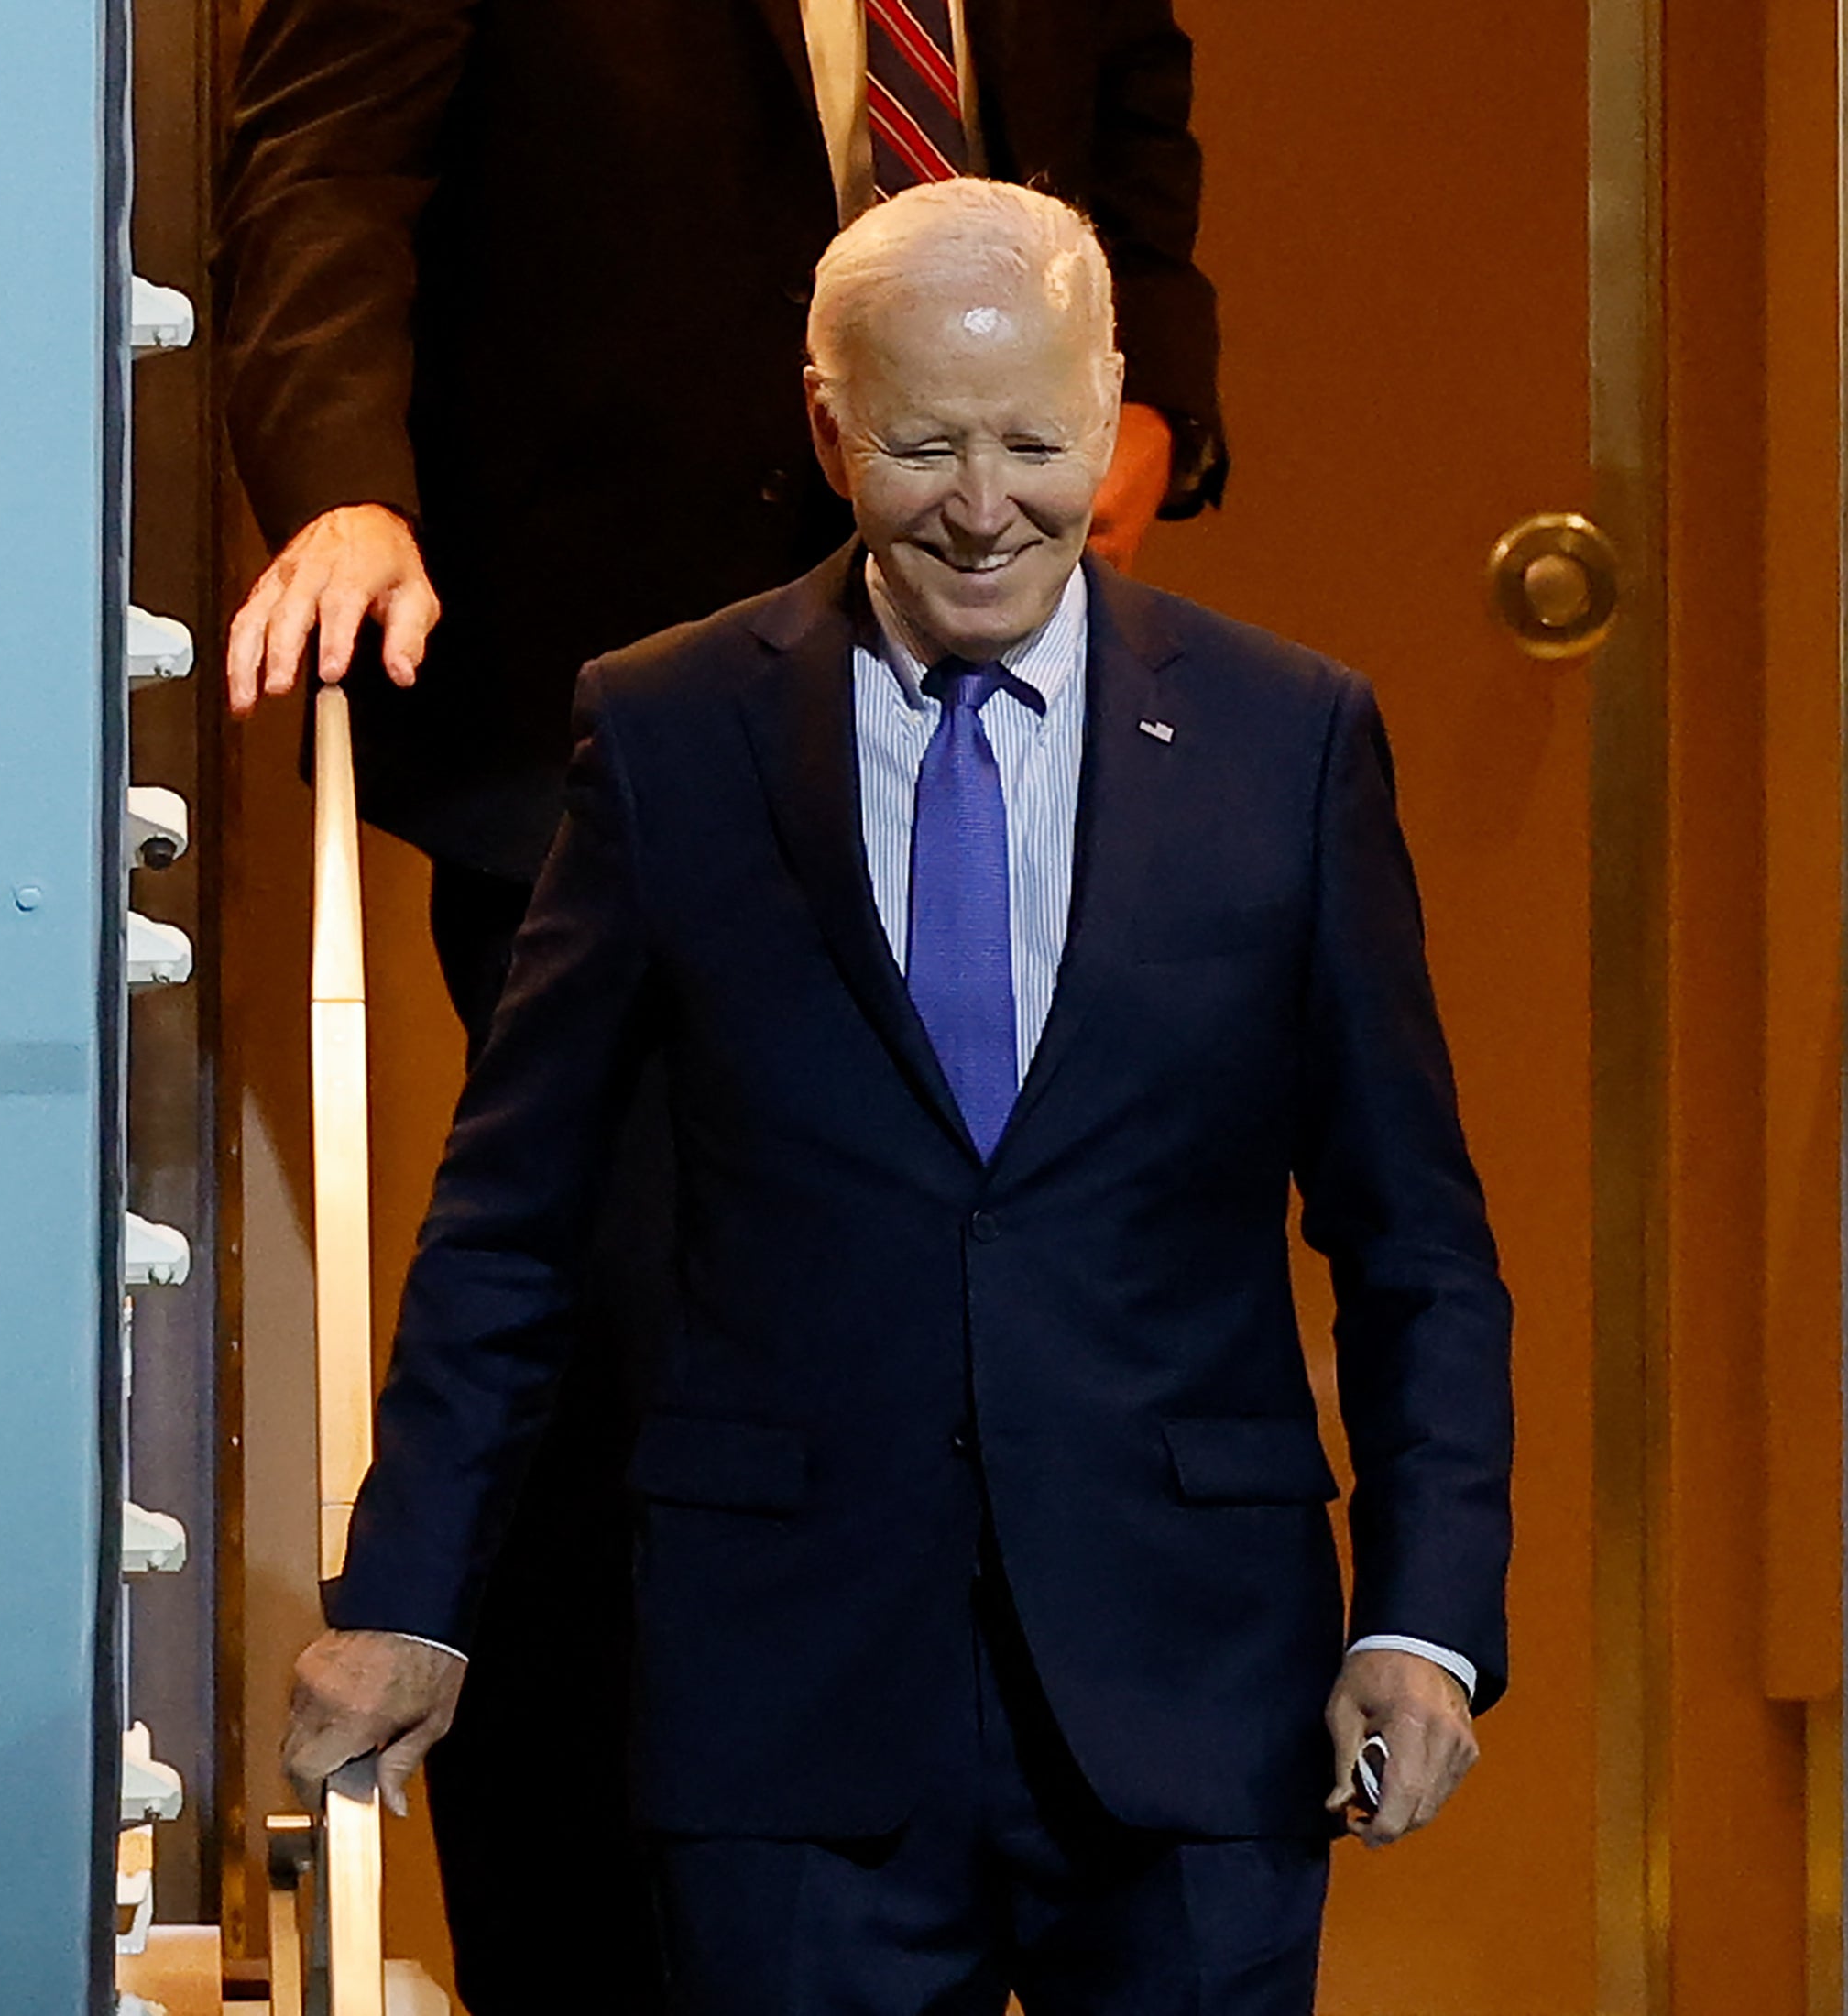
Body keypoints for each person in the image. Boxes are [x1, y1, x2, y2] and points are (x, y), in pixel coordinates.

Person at [281, 181, 1512, 2015]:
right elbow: (512, 1217)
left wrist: (1423, 1618)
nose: (985, 501)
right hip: (786, 1693)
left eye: (1032, 441)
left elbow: (1410, 1232)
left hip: (1194, 1683)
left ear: (1108, 410)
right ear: (824, 420)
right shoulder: (667, 726)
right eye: (925, 443)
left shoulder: (1288, 738)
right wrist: (405, 1588)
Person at [213, 6, 1223, 2000]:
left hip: (1000, 701)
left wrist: (1157, 398)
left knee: (998, 1345)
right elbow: (327, 171)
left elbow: (1129, 131)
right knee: (625, 1376)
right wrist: (344, 483)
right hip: (610, 713)